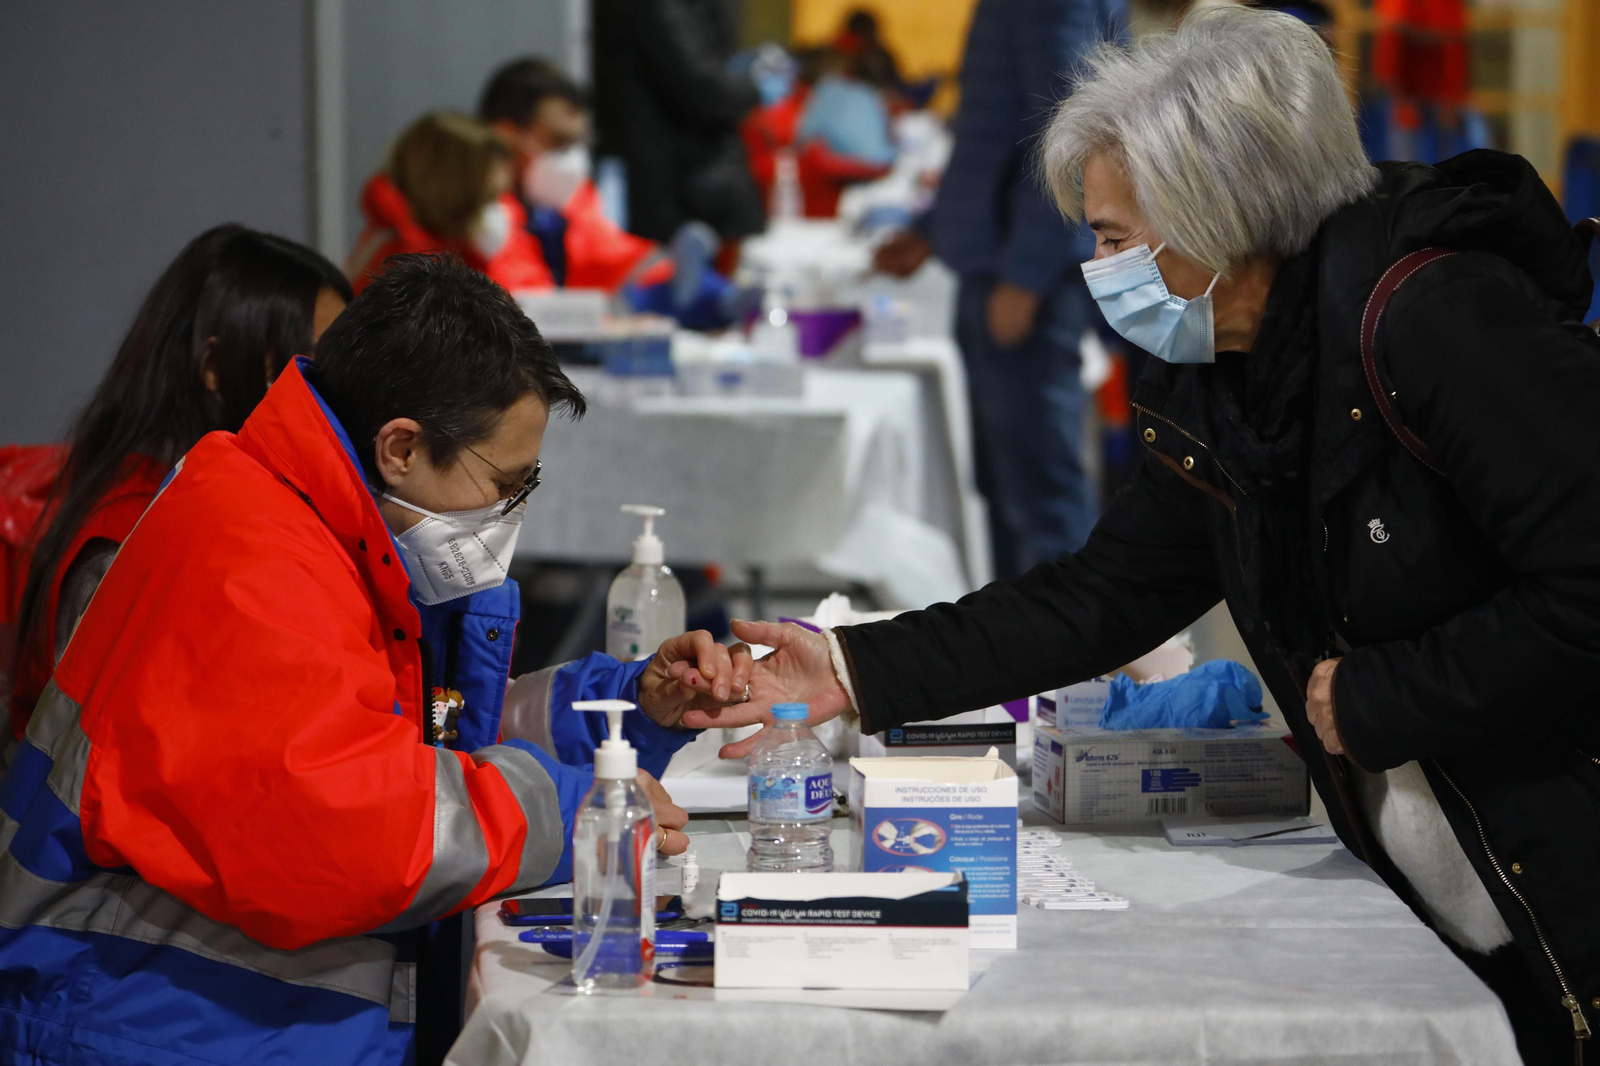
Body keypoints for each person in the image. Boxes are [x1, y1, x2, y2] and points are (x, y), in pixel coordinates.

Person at [693, 10, 1600, 1063]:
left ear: (1216, 217)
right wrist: (853, 666)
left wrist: (1381, 695)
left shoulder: (1435, 320)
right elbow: (1106, 591)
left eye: (1115, 238)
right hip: (1449, 869)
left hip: (1558, 856)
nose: (1097, 267)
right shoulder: (1224, 364)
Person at [0, 254, 751, 1065]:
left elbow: (435, 734)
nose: (510, 514)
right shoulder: (247, 555)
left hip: (242, 1013)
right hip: (150, 1023)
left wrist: (623, 707)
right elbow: (346, 826)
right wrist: (573, 811)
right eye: (504, 482)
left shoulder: (356, 536)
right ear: (400, 447)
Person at [8, 224, 350, 740]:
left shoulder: (204, 497)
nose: (341, 400)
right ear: (214, 365)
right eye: (312, 369)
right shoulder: (137, 530)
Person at [872, 0, 1126, 579]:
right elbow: (996, 134)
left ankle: (1076, 660)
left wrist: (1026, 275)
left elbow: (1075, 133)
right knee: (1006, 489)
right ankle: (1025, 657)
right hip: (1000, 266)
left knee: (1039, 496)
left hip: (1019, 277)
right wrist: (932, 230)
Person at [591, 0, 765, 249]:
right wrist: (753, 84)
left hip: (676, 174)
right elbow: (704, 90)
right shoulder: (662, 8)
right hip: (681, 179)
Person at [348, 111, 553, 293]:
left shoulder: (462, 249)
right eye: (489, 196)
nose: (501, 209)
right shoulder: (398, 267)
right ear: (452, 190)